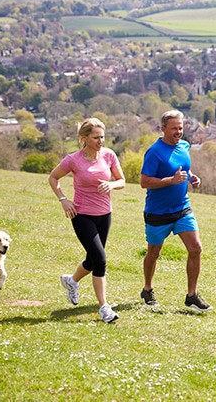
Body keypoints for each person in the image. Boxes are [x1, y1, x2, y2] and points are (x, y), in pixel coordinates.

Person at [48, 118, 125, 323]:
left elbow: (122, 180)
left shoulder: (109, 155)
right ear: (84, 138)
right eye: (96, 137)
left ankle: (71, 281)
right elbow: (53, 178)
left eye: (102, 137)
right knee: (100, 260)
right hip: (81, 215)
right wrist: (64, 200)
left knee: (92, 260)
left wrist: (111, 185)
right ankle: (104, 308)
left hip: (104, 214)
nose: (101, 141)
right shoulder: (74, 159)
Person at [140, 110, 212, 312]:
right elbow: (144, 182)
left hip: (182, 208)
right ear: (163, 129)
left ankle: (192, 295)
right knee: (153, 253)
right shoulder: (154, 152)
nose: (178, 132)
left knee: (195, 248)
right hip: (158, 212)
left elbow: (183, 168)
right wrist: (170, 181)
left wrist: (192, 177)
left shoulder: (184, 146)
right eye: (174, 128)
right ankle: (147, 289)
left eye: (180, 128)